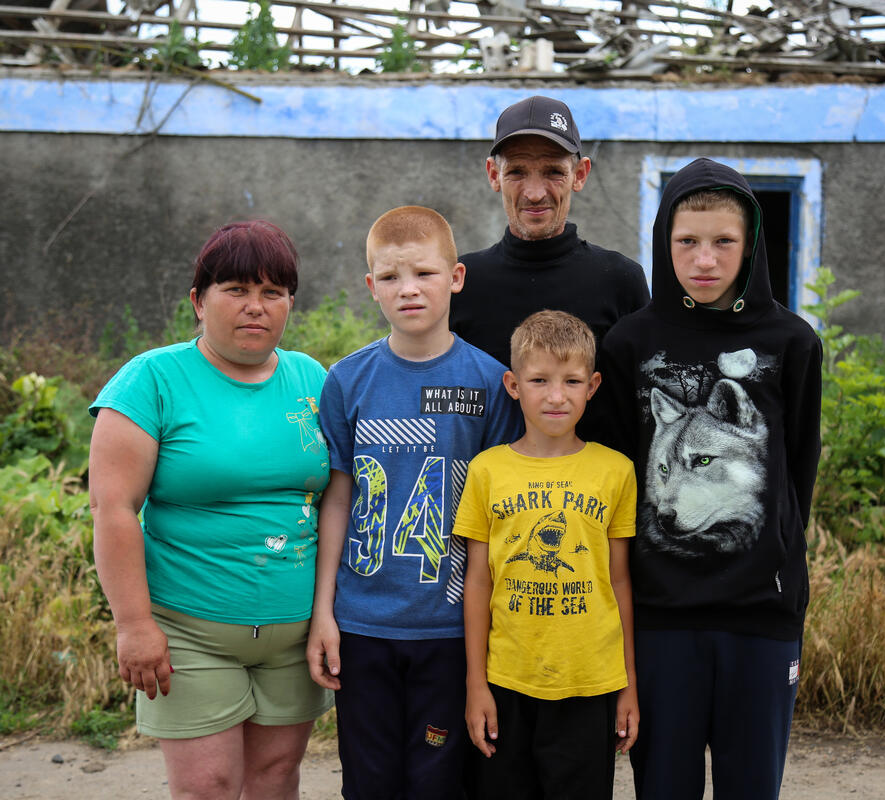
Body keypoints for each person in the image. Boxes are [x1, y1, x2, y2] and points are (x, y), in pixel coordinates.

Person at [590, 157, 823, 799]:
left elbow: (796, 471)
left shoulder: (792, 341)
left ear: (750, 246)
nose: (705, 259)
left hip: (761, 614)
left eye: (724, 241)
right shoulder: (630, 344)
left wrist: (781, 569)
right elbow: (620, 475)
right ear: (665, 243)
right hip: (660, 619)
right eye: (686, 241)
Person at [88, 220, 333, 799]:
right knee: (208, 787)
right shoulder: (152, 380)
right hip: (189, 631)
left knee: (276, 780)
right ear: (198, 301)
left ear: (290, 303)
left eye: (273, 293)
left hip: (293, 633)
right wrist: (133, 625)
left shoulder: (313, 378)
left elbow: (338, 496)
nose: (256, 307)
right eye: (237, 290)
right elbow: (113, 509)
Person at [306, 206, 522, 799]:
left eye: (424, 274)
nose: (409, 289)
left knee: (438, 782)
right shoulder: (347, 381)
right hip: (363, 624)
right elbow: (338, 497)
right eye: (391, 277)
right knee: (369, 781)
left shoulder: (488, 382)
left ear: (455, 278)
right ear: (370, 286)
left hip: (449, 629)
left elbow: (497, 516)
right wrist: (324, 611)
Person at [455, 310, 639, 800]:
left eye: (572, 381)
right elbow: (478, 582)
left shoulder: (615, 471)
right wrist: (477, 685)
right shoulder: (487, 470)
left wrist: (629, 685)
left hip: (590, 682)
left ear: (593, 385)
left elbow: (619, 582)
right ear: (513, 385)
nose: (556, 396)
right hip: (507, 681)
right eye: (539, 380)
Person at [449, 95, 650, 369]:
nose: (534, 194)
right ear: (494, 175)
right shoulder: (461, 284)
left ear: (580, 174)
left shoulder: (621, 281)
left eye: (553, 172)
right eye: (517, 172)